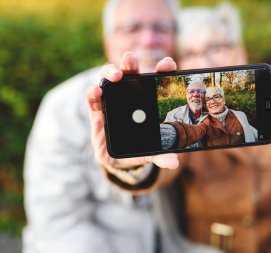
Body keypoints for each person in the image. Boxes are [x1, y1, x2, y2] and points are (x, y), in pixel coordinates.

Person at [87, 3, 271, 253]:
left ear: (240, 52)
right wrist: (131, 163)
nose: (206, 61)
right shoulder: (185, 116)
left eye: (216, 47)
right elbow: (167, 156)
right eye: (190, 53)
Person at [23, 0, 180, 253]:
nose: (149, 39)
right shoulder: (64, 107)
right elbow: (59, 222)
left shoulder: (183, 97)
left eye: (161, 28)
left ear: (175, 37)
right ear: (108, 41)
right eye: (132, 28)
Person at [163, 86, 258, 149]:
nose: (212, 102)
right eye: (208, 99)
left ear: (224, 100)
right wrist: (170, 133)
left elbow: (253, 133)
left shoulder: (240, 116)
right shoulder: (205, 123)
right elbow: (193, 132)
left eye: (216, 97)